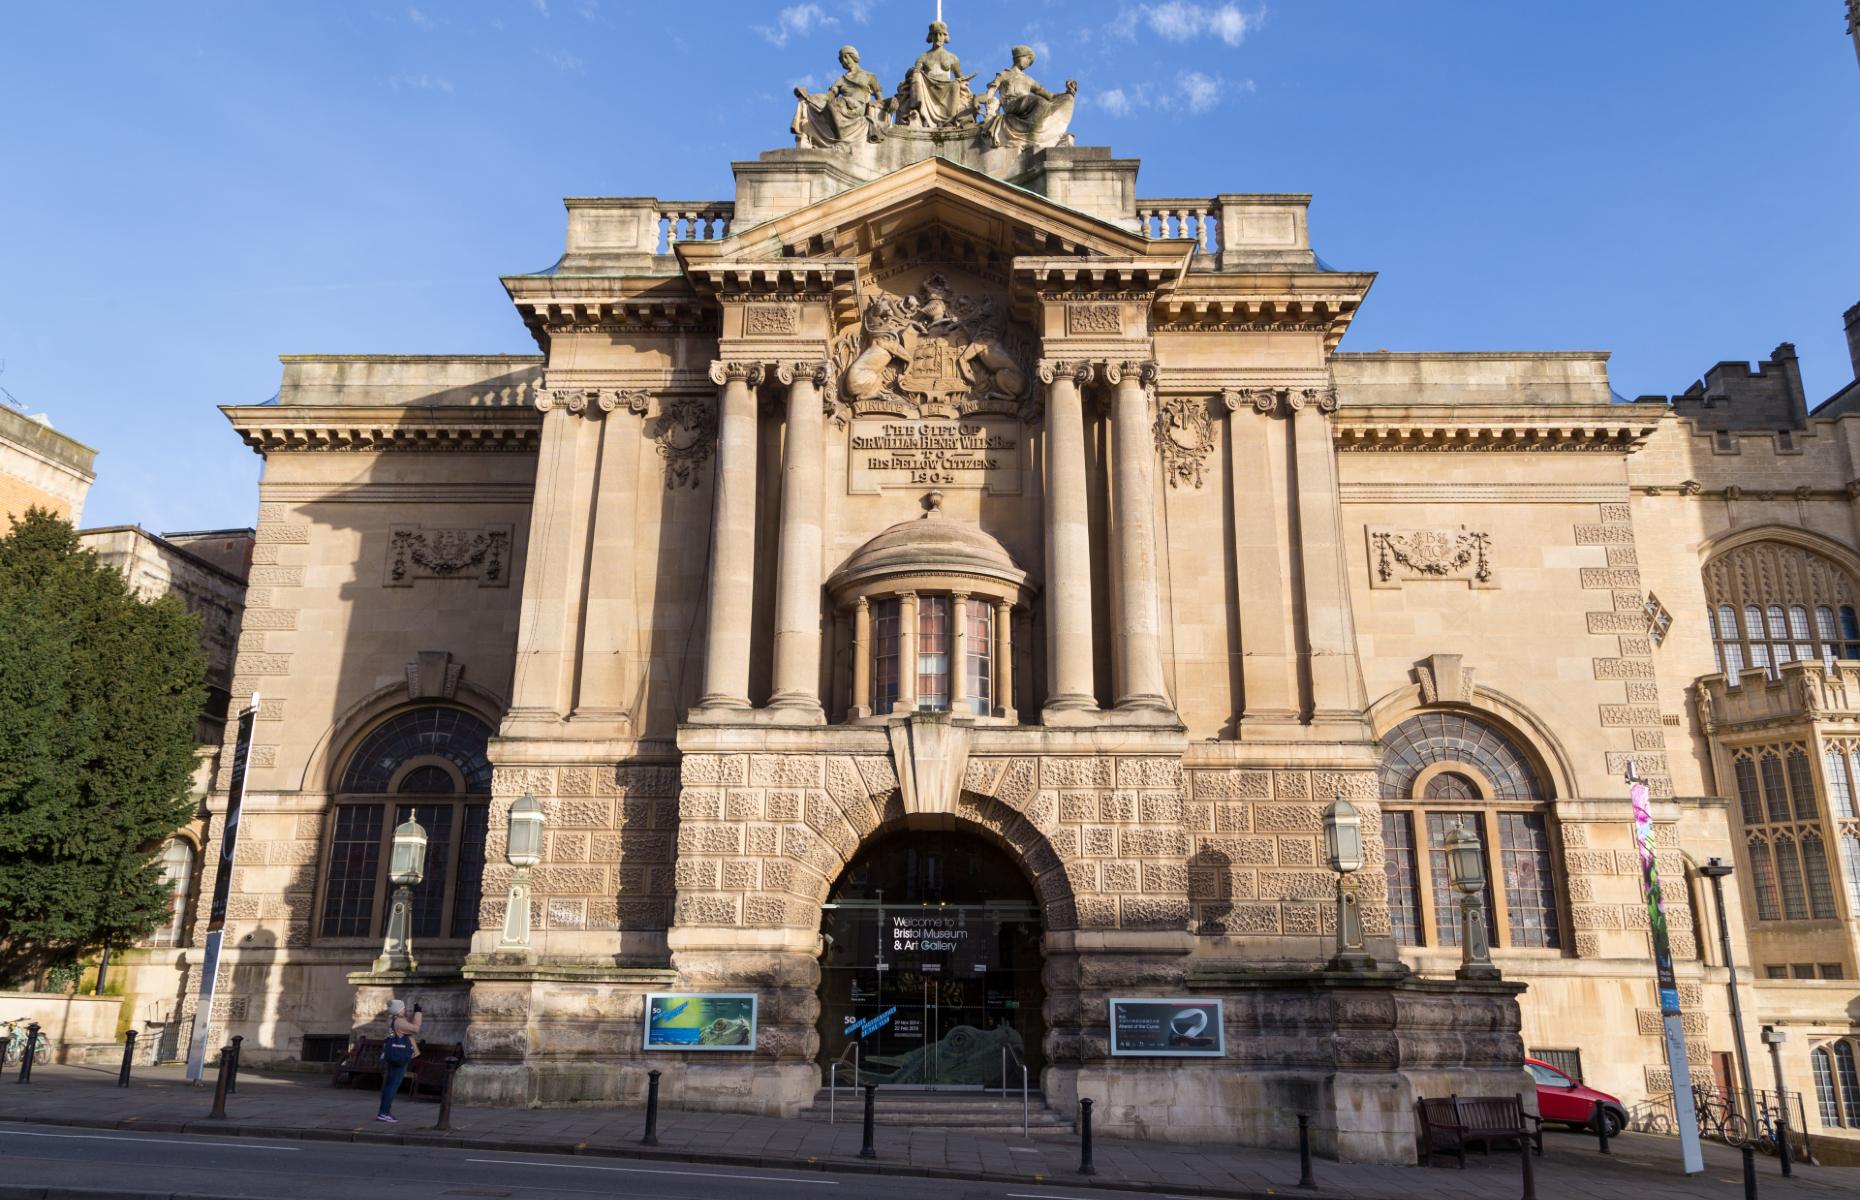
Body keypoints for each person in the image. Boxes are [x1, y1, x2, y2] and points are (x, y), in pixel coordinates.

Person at [980, 46, 1078, 150]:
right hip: (1012, 104)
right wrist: (987, 101)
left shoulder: (1028, 79)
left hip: (1027, 104)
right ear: (1019, 57)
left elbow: (1048, 95)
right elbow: (992, 88)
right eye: (1028, 59)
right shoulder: (1004, 74)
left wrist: (1067, 93)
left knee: (1046, 103)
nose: (1028, 63)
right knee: (1040, 102)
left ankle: (1033, 136)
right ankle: (1031, 138)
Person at [792, 45, 887, 149]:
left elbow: (879, 98)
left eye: (846, 57)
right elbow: (829, 96)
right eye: (842, 59)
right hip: (842, 105)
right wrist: (809, 96)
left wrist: (889, 106)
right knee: (830, 104)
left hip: (858, 107)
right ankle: (839, 138)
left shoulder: (869, 76)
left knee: (837, 103)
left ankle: (842, 140)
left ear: (854, 57)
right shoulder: (841, 80)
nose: (844, 61)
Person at [892, 21, 975, 128]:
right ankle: (919, 114)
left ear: (945, 36)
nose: (938, 37)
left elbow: (960, 76)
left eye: (941, 34)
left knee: (955, 84)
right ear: (931, 36)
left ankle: (950, 119)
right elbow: (912, 73)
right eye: (935, 34)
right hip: (928, 84)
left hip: (946, 85)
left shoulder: (952, 57)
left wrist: (963, 79)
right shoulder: (924, 56)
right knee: (917, 75)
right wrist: (913, 71)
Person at [376, 998, 422, 1123]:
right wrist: (418, 1013)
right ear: (398, 1010)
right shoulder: (399, 1023)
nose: (405, 1010)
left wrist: (413, 1013)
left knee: (389, 1085)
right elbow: (415, 1028)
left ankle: (384, 1112)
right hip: (399, 1058)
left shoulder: (394, 1020)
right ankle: (383, 1113)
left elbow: (409, 1025)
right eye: (403, 1008)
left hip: (393, 1056)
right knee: (392, 1086)